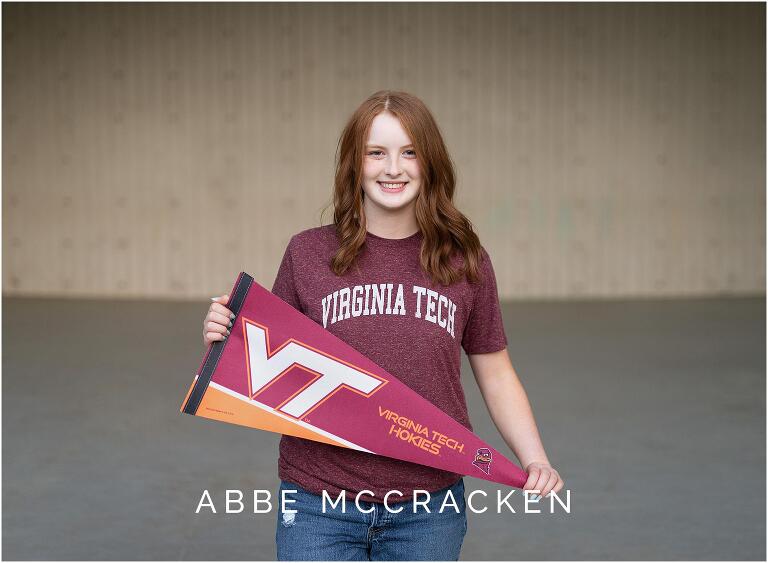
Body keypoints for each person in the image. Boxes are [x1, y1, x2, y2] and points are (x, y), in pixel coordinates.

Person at [202, 90, 564, 561]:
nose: (393, 168)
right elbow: (269, 361)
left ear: (430, 162)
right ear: (354, 163)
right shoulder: (307, 253)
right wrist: (226, 331)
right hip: (317, 500)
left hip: (428, 506)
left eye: (409, 152)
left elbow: (495, 372)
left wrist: (534, 458)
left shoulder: (465, 262)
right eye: (376, 153)